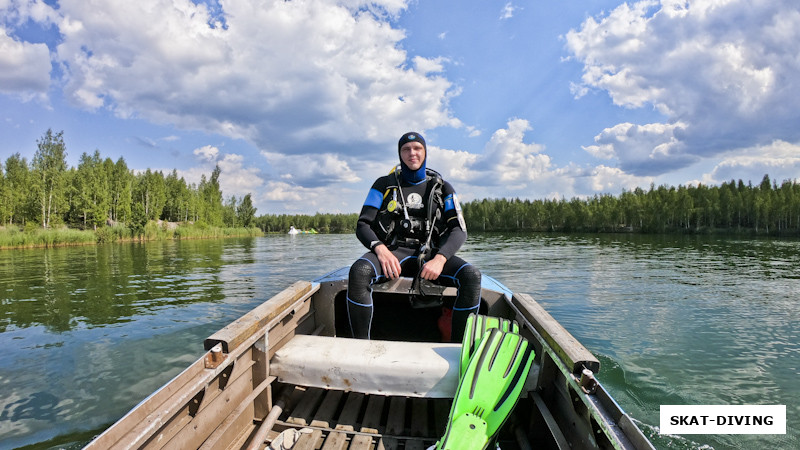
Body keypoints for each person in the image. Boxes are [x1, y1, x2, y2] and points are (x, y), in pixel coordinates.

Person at [347, 132, 481, 342]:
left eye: (417, 148)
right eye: (406, 149)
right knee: (359, 271)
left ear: (425, 152)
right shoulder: (383, 185)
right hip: (393, 254)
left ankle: (458, 350)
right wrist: (380, 250)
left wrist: (440, 258)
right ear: (400, 154)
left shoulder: (442, 188)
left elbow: (459, 230)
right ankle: (361, 346)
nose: (412, 153)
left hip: (430, 257)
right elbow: (363, 225)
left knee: (471, 276)